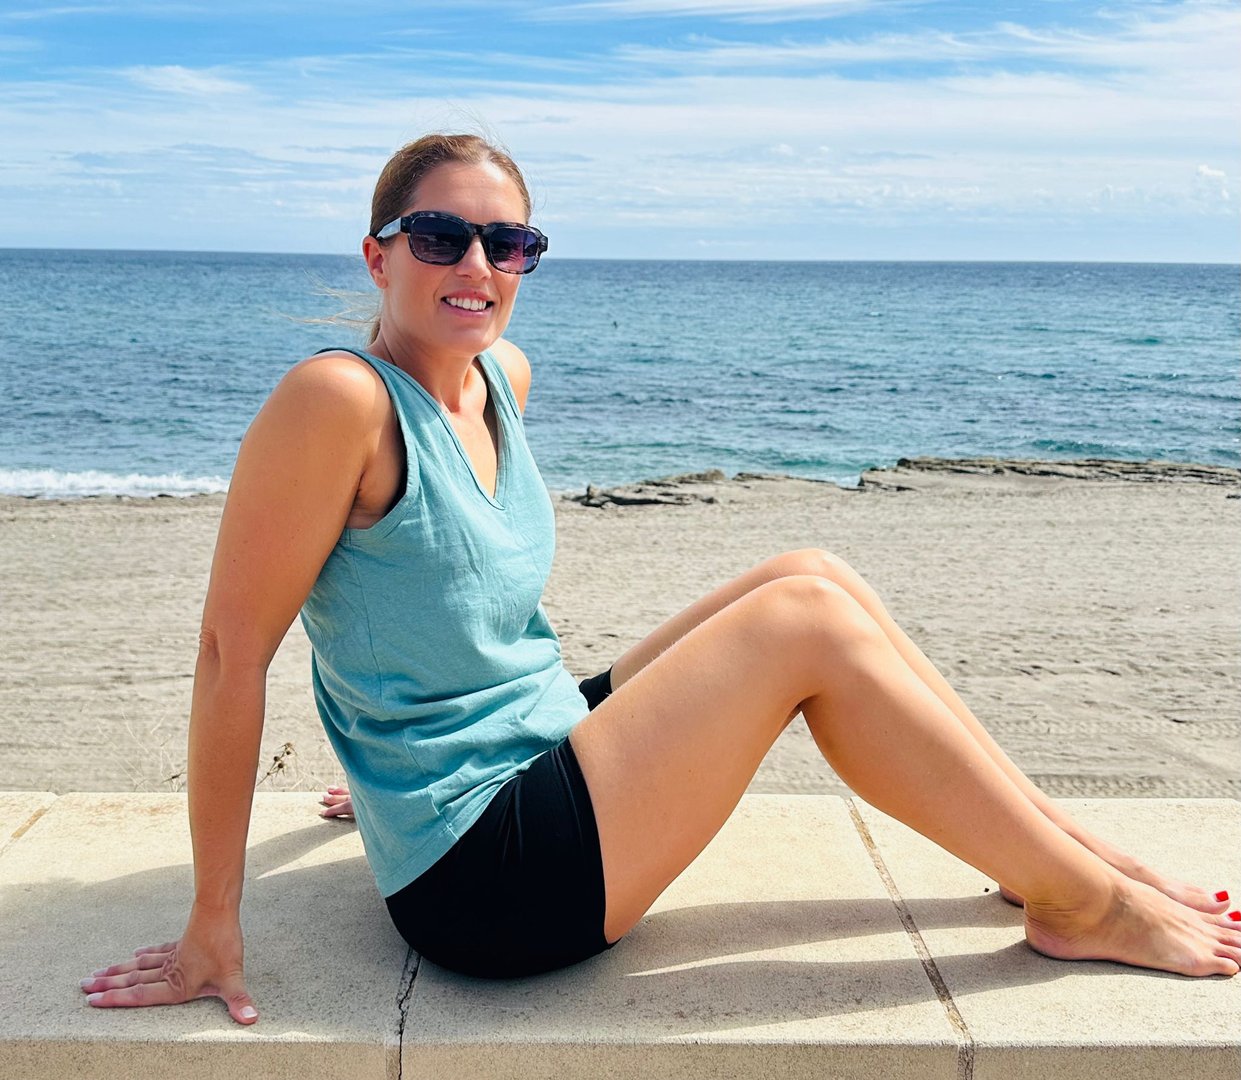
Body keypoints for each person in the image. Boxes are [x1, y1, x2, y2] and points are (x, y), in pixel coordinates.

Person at [82, 133, 1240, 1024]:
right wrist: (212, 929)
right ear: (379, 252)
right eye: (440, 236)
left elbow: (425, 609)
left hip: (529, 746)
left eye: (509, 243)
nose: (477, 265)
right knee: (802, 626)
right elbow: (234, 654)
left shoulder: (501, 379)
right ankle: (1080, 904)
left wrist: (378, 764)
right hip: (486, 879)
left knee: (809, 566)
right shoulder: (334, 402)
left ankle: (1070, 854)